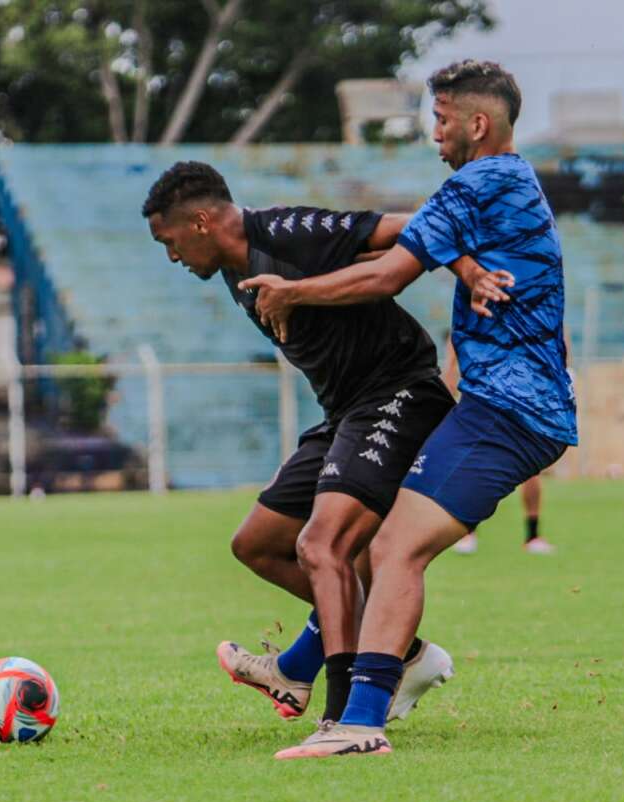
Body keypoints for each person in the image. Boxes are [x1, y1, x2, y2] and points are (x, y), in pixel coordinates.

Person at [240, 59, 578, 758]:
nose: (435, 134)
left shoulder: (478, 181)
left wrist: (294, 292)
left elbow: (388, 273)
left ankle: (361, 720)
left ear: (476, 124)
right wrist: (464, 267)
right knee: (368, 538)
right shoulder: (507, 182)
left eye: (442, 120)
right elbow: (437, 244)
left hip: (511, 410)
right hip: (496, 402)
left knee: (392, 546)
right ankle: (320, 669)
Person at [141, 162, 460, 726]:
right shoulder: (231, 270)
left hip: (399, 393)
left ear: (200, 222)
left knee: (324, 547)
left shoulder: (289, 233)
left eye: (169, 242)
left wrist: (472, 270)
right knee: (258, 544)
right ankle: (394, 655)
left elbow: (418, 225)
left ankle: (344, 717)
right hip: (344, 413)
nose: (171, 258)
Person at [441, 335, 556, 556]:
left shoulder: (519, 323)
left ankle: (533, 535)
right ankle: (468, 533)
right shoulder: (466, 327)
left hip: (517, 408)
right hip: (478, 408)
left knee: (531, 472)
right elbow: (451, 370)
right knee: (471, 471)